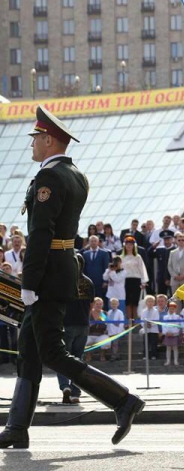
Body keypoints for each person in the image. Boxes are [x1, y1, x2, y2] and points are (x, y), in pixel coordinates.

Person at [0, 106, 144, 449]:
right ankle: (17, 428)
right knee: (29, 351)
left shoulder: (48, 178)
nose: (32, 144)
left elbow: (40, 233)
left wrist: (30, 282)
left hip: (47, 274)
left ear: (49, 140)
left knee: (51, 351)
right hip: (61, 267)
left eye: (36, 138)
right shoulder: (76, 174)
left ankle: (122, 400)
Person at [57, 253, 94, 404]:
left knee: (61, 358)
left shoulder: (64, 281)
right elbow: (91, 306)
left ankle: (65, 386)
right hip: (83, 324)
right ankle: (76, 393)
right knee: (78, 359)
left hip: (67, 324)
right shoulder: (88, 282)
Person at [121, 236, 149, 324]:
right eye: (127, 244)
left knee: (135, 301)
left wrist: (143, 281)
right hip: (125, 281)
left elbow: (142, 269)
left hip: (136, 280)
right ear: (124, 246)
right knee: (128, 301)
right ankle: (129, 320)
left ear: (134, 246)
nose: (129, 246)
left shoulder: (138, 257)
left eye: (131, 244)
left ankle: (136, 320)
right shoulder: (121, 257)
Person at [148, 229, 175, 296]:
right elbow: (149, 253)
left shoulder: (175, 250)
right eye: (165, 240)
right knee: (161, 297)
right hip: (161, 278)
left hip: (172, 277)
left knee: (173, 297)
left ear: (172, 240)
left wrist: (168, 278)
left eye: (168, 239)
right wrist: (154, 246)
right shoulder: (160, 250)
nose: (166, 242)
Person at [162, 301, 184, 366]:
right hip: (167, 334)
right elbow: (163, 325)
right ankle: (168, 361)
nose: (171, 310)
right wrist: (166, 332)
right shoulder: (165, 317)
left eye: (173, 309)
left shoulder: (178, 317)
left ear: (175, 309)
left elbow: (179, 326)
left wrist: (174, 333)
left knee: (175, 348)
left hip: (175, 335)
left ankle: (175, 361)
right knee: (168, 348)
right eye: (170, 308)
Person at [140, 294, 159, 360]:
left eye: (152, 301)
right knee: (146, 343)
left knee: (154, 343)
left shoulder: (156, 311)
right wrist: (145, 325)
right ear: (146, 303)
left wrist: (151, 324)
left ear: (154, 303)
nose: (150, 303)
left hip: (154, 330)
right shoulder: (143, 311)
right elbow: (142, 320)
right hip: (146, 330)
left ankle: (154, 355)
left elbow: (156, 319)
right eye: (149, 301)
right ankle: (145, 355)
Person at [106, 298, 125, 362]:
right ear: (110, 304)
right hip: (110, 331)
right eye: (112, 304)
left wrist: (119, 332)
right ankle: (116, 355)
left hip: (117, 331)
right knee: (112, 344)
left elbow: (121, 322)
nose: (114, 305)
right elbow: (107, 322)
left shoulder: (120, 312)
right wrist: (107, 329)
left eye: (115, 304)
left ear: (118, 304)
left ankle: (114, 356)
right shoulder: (109, 312)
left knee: (115, 344)